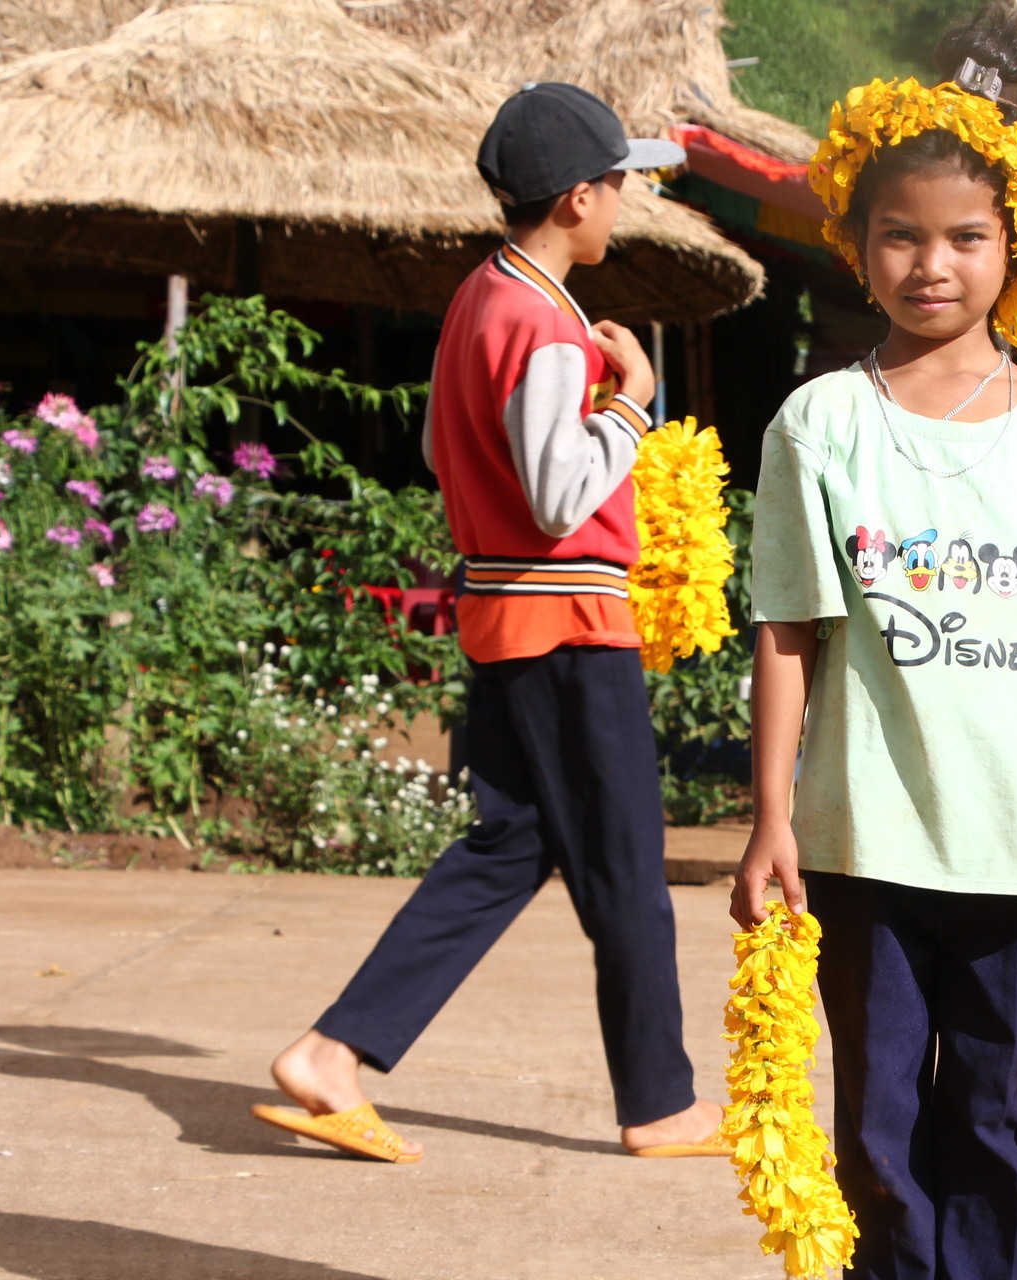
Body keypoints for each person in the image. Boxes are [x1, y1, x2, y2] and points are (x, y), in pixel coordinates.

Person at [732, 11, 1017, 1279]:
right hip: (868, 842)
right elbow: (790, 631)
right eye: (902, 235)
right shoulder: (821, 424)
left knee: (998, 1117)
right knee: (878, 1132)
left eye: (966, 237)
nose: (933, 264)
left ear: (1016, 246)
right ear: (858, 246)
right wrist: (771, 814)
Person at [252, 82, 725, 1164]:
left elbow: (436, 453)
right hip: (565, 617)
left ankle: (334, 1053)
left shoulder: (478, 299)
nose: (625, 202)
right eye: (618, 185)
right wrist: (631, 401)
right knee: (626, 865)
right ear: (574, 198)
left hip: (502, 608)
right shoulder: (549, 322)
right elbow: (562, 494)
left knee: (511, 843)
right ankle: (660, 1102)